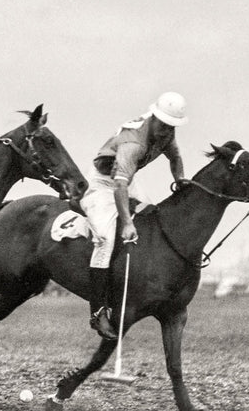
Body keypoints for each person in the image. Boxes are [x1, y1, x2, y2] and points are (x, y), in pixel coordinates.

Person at [79, 91, 189, 339]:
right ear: (155, 118)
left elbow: (176, 157)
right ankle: (98, 313)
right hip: (104, 183)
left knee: (153, 219)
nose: (167, 132)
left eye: (172, 127)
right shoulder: (133, 144)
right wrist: (127, 223)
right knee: (106, 239)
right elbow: (119, 187)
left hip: (127, 180)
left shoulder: (166, 134)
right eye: (164, 125)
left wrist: (179, 179)